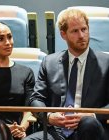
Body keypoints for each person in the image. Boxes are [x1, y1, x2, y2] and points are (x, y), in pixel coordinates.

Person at [24, 8, 109, 140]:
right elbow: (36, 99)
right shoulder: (49, 62)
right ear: (63, 34)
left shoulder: (106, 63)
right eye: (75, 31)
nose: (81, 35)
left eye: (84, 29)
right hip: (57, 130)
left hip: (93, 128)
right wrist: (49, 117)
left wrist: (92, 115)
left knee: (87, 123)